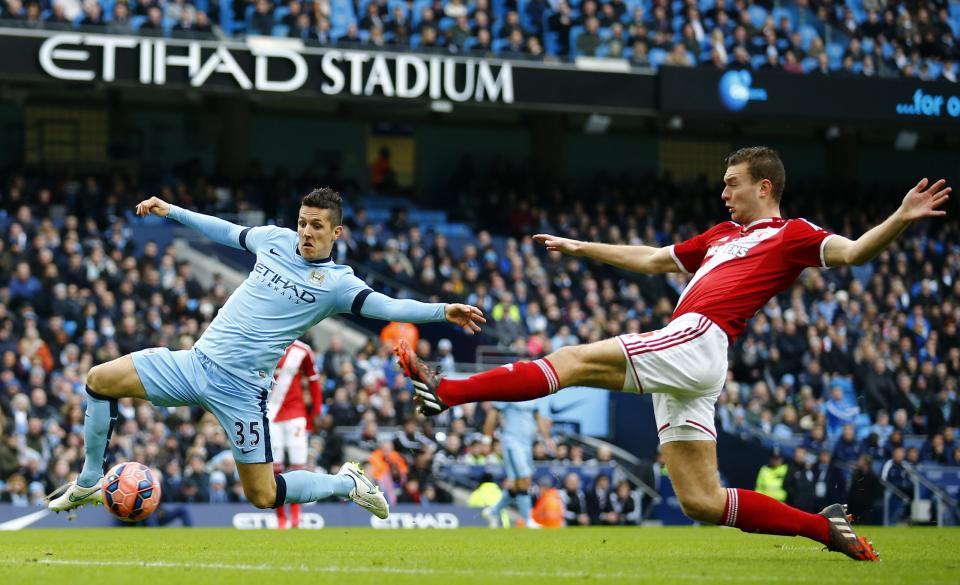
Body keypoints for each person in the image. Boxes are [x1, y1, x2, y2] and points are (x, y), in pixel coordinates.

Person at [397, 147, 951, 560]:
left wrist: (899, 219)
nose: (724, 194)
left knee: (568, 361)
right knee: (702, 502)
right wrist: (580, 246)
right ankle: (823, 528)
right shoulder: (717, 236)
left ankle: (446, 393)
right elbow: (654, 259)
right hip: (695, 362)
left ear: (764, 185)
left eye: (732, 185)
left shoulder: (792, 233)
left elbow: (852, 253)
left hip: (699, 335)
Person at [47, 188, 486, 519]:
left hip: (241, 393)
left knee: (263, 495)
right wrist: (172, 211)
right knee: (98, 379)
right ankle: (88, 481)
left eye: (316, 226)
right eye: (302, 222)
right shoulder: (273, 240)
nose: (306, 233)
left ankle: (345, 482)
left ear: (336, 232)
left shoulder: (338, 284)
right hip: (193, 364)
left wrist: (441, 310)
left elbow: (388, 306)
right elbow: (224, 230)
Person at [269, 338, 323, 529]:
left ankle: (296, 516)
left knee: (298, 466)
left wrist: (316, 411)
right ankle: (280, 517)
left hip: (295, 415)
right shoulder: (265, 345)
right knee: (275, 468)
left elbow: (314, 380)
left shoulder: (302, 350)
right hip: (271, 414)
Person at [480, 399, 554, 528]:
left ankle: (494, 511)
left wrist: (547, 439)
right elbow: (492, 414)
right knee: (524, 479)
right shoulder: (508, 391)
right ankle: (527, 520)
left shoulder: (534, 394)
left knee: (517, 484)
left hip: (527, 444)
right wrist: (486, 439)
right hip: (511, 442)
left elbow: (538, 417)